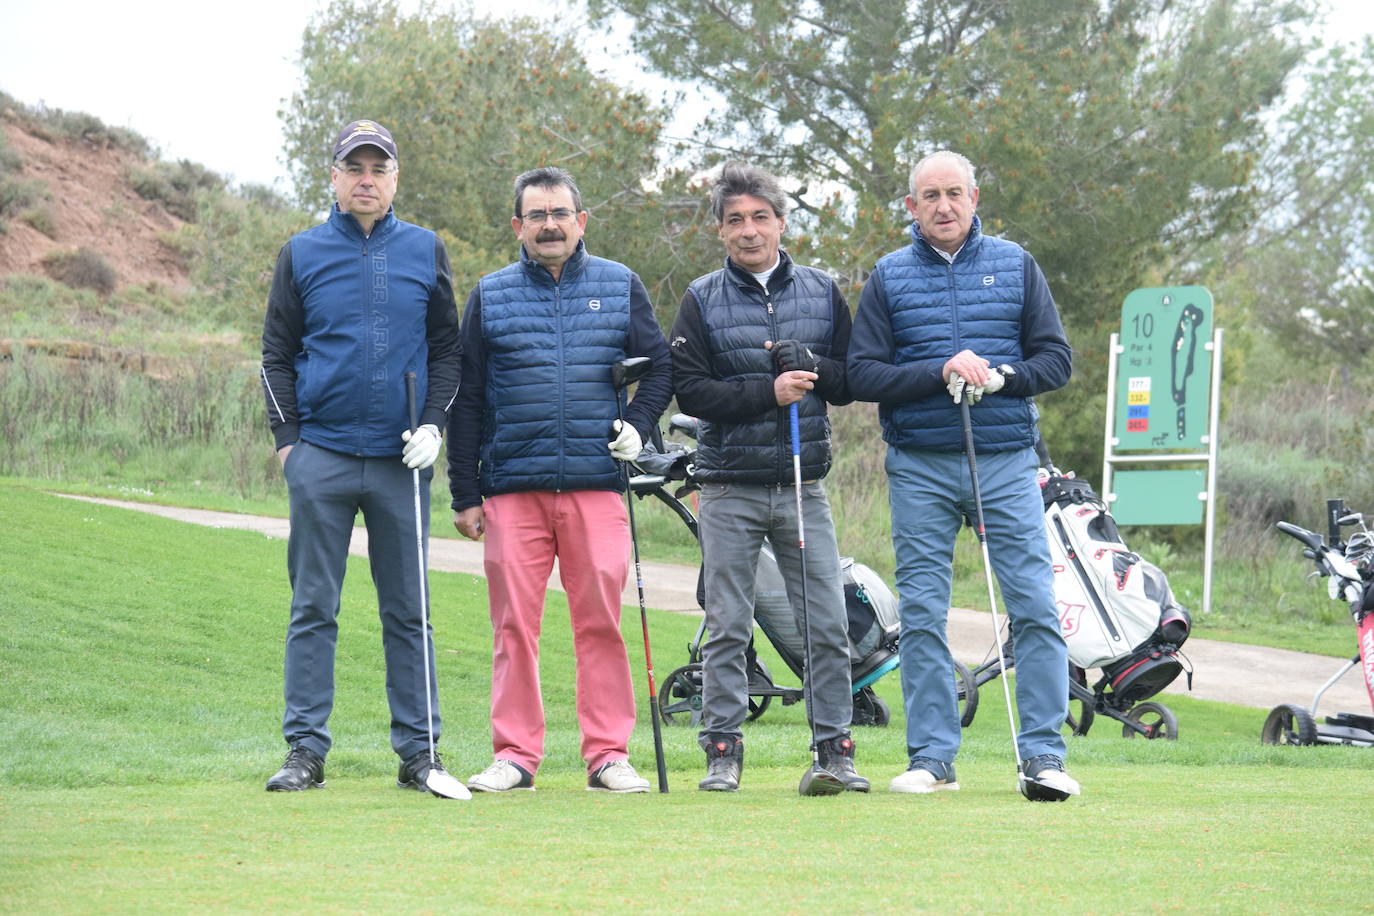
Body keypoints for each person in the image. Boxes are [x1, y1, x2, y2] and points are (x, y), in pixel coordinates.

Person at [847, 149, 1079, 799]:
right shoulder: (890, 277)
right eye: (930, 196)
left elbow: (1056, 361)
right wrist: (938, 370)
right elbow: (862, 374)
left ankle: (1043, 755)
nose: (943, 206)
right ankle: (933, 758)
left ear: (975, 199)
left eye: (954, 193)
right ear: (911, 207)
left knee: (1032, 604)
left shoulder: (1015, 264)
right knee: (922, 612)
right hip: (919, 462)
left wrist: (1003, 378)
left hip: (1004, 459)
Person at [447, 166, 672, 794]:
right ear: (518, 225)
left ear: (581, 220)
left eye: (561, 213)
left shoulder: (620, 285)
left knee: (598, 619)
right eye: (537, 216)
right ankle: (515, 754)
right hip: (512, 487)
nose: (550, 225)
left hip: (597, 484)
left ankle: (608, 754)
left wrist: (638, 424)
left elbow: (660, 369)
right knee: (514, 623)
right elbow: (466, 401)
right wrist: (464, 492)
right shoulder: (490, 295)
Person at [259, 120, 463, 793]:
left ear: (395, 178)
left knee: (408, 611)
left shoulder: (425, 250)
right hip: (321, 454)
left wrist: (434, 423)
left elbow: (446, 351)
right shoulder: (302, 252)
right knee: (314, 606)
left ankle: (420, 751)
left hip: (402, 462)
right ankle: (305, 750)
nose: (367, 179)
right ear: (335, 178)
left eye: (379, 168)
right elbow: (276, 355)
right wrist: (289, 443)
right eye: (356, 168)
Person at [669, 162, 867, 794]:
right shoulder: (701, 298)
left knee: (826, 623)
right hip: (728, 485)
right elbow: (692, 392)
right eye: (735, 221)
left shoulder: (819, 291)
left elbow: (851, 377)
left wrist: (811, 366)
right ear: (721, 231)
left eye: (760, 217)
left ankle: (834, 751)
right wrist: (768, 390)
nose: (749, 230)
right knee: (728, 624)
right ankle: (722, 751)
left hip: (803, 484)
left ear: (781, 221)